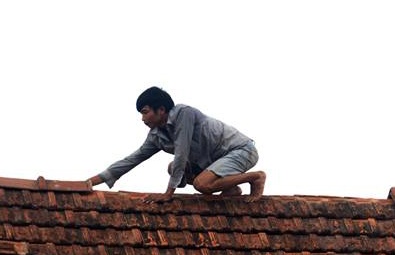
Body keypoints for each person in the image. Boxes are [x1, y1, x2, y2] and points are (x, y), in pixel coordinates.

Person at [88, 86, 266, 203]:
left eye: (145, 112)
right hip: (214, 161)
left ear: (161, 110)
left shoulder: (183, 114)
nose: (143, 119)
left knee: (202, 185)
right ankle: (231, 188)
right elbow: (132, 159)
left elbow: (181, 152)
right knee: (173, 168)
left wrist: (168, 194)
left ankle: (255, 177)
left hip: (241, 151)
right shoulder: (157, 135)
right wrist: (89, 182)